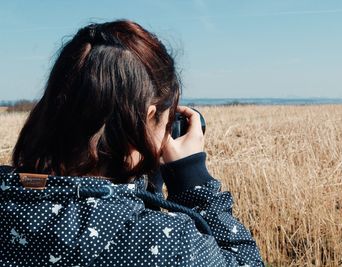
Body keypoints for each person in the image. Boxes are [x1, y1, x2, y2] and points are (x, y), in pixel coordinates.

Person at [0, 19, 264, 266]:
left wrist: (142, 180)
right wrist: (191, 179)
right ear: (146, 118)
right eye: (166, 117)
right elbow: (245, 260)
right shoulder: (169, 243)